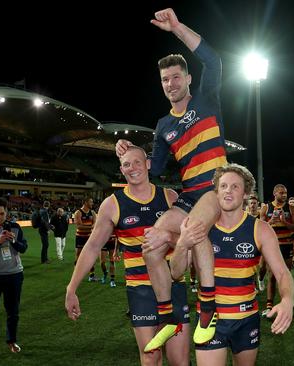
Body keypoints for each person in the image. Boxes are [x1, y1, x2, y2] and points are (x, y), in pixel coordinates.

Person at [115, 7, 227, 349]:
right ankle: (168, 315)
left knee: (193, 229)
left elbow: (215, 60)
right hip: (190, 193)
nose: (171, 83)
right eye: (165, 79)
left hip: (216, 185)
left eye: (177, 76)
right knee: (151, 241)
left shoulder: (207, 99)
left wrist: (177, 28)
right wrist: (131, 151)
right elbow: (156, 169)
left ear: (188, 79)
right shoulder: (163, 126)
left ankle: (208, 308)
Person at [65, 146, 190, 365]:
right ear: (121, 170)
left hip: (173, 286)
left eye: (137, 162)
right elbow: (93, 246)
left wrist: (167, 236)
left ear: (148, 164)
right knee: (151, 357)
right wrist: (71, 288)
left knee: (179, 360)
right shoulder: (112, 204)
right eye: (126, 164)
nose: (132, 168)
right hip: (140, 291)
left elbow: (188, 242)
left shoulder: (169, 197)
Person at [169, 163, 294, 366]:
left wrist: (288, 299)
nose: (228, 191)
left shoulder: (260, 229)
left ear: (246, 193)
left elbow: (282, 273)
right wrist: (182, 244)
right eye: (223, 186)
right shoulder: (201, 228)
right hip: (210, 320)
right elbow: (175, 273)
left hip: (246, 319)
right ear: (216, 191)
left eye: (235, 186)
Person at [0, 198, 27, 353]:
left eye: (1, 213)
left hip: (14, 275)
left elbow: (23, 247)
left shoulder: (15, 227)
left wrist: (13, 241)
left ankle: (11, 341)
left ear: (6, 212)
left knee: (13, 312)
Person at [259, 184, 294, 315]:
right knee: (272, 276)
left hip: (286, 244)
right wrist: (271, 221)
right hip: (272, 246)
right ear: (275, 193)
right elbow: (260, 228)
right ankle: (269, 305)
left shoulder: (291, 207)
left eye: (285, 193)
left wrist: (284, 222)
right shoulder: (266, 207)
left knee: (286, 275)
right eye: (282, 193)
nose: (284, 195)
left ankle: (285, 305)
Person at [74, 197, 96, 280]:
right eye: (91, 202)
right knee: (78, 256)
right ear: (86, 202)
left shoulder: (93, 212)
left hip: (90, 237)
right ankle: (76, 275)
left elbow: (95, 225)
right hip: (80, 237)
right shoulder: (78, 212)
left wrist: (87, 226)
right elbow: (79, 226)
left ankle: (92, 275)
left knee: (91, 256)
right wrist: (91, 227)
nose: (92, 203)